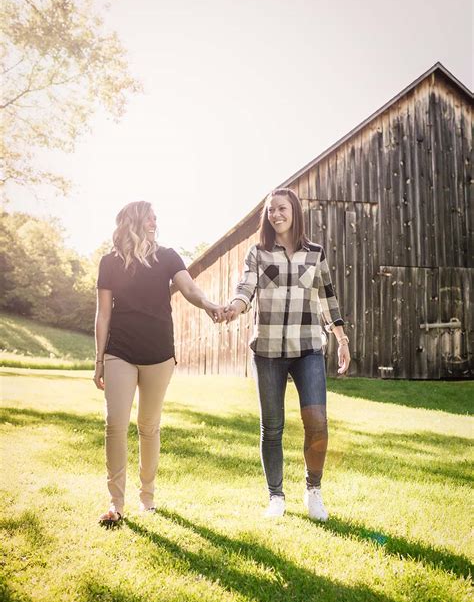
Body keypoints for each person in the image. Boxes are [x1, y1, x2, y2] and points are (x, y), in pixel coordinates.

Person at [94, 200, 225, 526]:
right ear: (134, 222)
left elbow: (189, 288)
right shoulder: (109, 262)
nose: (155, 222)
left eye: (156, 218)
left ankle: (147, 498)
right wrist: (99, 359)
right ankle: (116, 503)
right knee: (115, 424)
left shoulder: (167, 256)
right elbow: (103, 313)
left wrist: (207, 303)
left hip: (159, 353)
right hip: (119, 351)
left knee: (149, 426)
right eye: (150, 218)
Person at [224, 187, 350, 520]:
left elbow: (327, 297)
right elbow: (245, 289)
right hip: (268, 351)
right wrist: (234, 308)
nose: (276, 215)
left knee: (318, 423)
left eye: (281, 209)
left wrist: (341, 337)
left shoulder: (315, 253)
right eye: (271, 211)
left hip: (308, 348)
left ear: (294, 211)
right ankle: (276, 496)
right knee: (273, 426)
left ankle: (314, 492)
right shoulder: (258, 252)